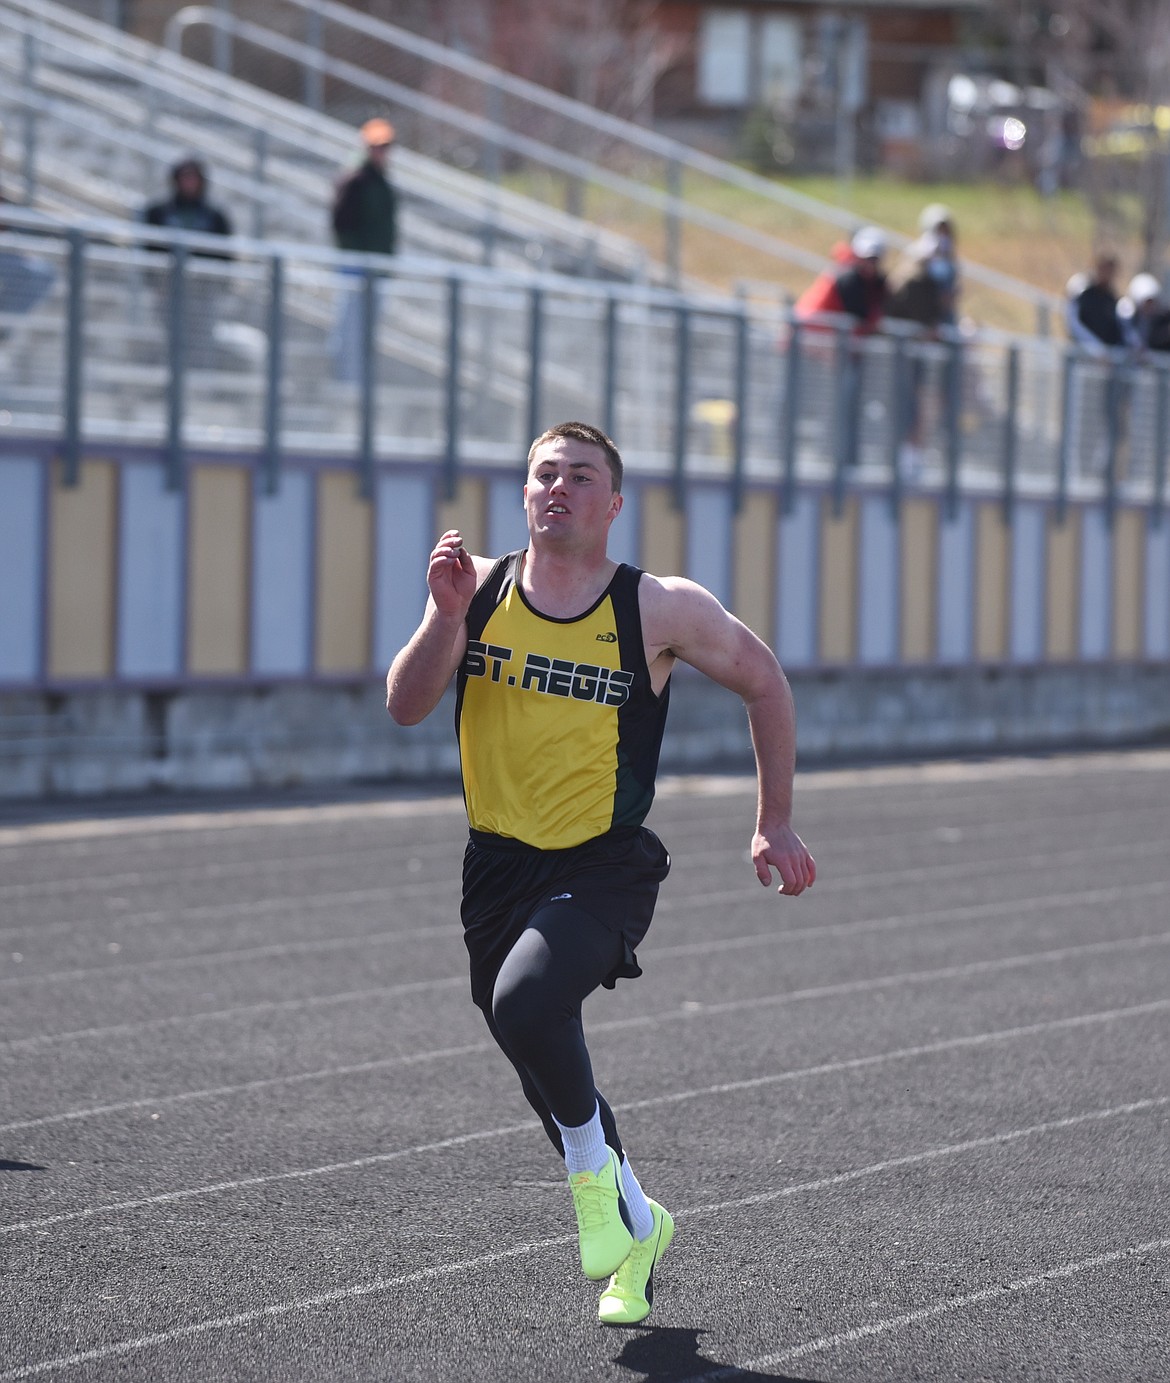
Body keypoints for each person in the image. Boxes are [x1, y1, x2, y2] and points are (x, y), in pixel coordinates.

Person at [385, 420, 816, 1327]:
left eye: (582, 476)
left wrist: (772, 819)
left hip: (604, 860)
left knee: (528, 1004)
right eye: (545, 474)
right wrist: (444, 616)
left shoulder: (657, 607)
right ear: (524, 492)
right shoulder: (481, 590)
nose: (560, 488)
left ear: (614, 504)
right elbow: (406, 704)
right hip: (495, 864)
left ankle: (593, 1181)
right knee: (542, 1055)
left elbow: (765, 681)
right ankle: (636, 1226)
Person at [142, 158, 234, 367]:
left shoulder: (215, 216)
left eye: (193, 178)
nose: (189, 183)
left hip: (202, 291)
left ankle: (198, 377)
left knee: (199, 338)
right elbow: (150, 250)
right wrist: (156, 283)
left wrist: (219, 286)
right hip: (169, 289)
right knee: (171, 336)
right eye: (185, 178)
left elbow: (225, 255)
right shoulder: (159, 212)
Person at [329, 118, 399, 382]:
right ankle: (345, 383)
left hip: (376, 269)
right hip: (358, 269)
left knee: (366, 333)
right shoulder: (355, 180)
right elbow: (342, 224)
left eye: (385, 147)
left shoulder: (381, 182)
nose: (381, 153)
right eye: (376, 147)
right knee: (349, 331)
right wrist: (359, 257)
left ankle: (359, 384)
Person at [794, 225, 887, 335]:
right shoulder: (847, 277)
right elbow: (860, 316)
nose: (870, 264)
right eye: (867, 258)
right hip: (810, 335)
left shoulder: (864, 278)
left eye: (874, 259)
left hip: (819, 335)